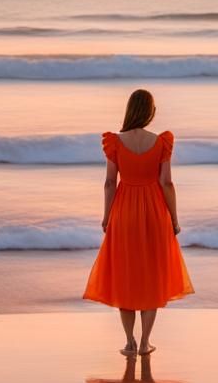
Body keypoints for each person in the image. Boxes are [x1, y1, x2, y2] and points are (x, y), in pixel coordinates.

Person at [83, 88, 194, 355]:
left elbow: (111, 182)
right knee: (151, 276)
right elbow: (166, 182)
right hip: (155, 211)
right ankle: (145, 343)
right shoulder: (161, 142)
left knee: (126, 275)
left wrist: (107, 216)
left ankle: (129, 342)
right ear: (150, 112)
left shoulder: (114, 142)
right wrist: (175, 218)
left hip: (124, 212)